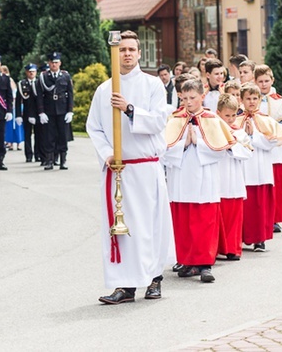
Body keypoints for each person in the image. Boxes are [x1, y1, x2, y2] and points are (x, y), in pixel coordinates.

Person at [86, 31, 175, 305]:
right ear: (115, 53)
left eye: (131, 50)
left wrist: (130, 109)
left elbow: (160, 120)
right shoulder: (104, 89)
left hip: (144, 168)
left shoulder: (152, 86)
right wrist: (106, 153)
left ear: (139, 53)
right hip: (118, 170)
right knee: (120, 228)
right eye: (121, 49)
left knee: (148, 225)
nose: (126, 54)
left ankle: (153, 279)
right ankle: (124, 285)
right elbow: (95, 127)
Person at [164, 79, 234, 283]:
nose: (188, 102)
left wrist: (199, 143)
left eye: (192, 98)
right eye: (184, 98)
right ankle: (187, 261)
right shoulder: (174, 119)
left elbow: (221, 152)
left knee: (204, 220)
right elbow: (163, 152)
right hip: (181, 176)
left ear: (201, 96)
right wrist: (182, 145)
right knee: (183, 220)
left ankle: (204, 264)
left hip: (205, 177)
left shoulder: (213, 119)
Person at [236, 83, 282, 252]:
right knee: (245, 205)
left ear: (259, 100)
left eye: (254, 98)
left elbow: (272, 142)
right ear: (241, 100)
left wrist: (253, 135)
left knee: (259, 205)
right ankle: (243, 237)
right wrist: (246, 136)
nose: (251, 102)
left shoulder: (267, 120)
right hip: (244, 169)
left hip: (261, 168)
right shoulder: (236, 120)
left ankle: (260, 239)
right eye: (248, 98)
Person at [255, 65, 282, 233]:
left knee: (276, 185)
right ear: (255, 82)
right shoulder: (251, 99)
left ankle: (275, 218)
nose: (264, 85)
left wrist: (275, 133)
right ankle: (261, 217)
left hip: (275, 149)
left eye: (266, 81)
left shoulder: (279, 100)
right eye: (260, 81)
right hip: (258, 147)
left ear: (272, 80)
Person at [216, 94, 252, 261]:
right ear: (219, 113)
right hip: (218, 177)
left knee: (234, 215)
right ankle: (217, 248)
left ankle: (232, 248)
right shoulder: (213, 130)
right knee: (219, 216)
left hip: (234, 178)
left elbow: (247, 152)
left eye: (233, 115)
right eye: (226, 116)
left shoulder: (240, 132)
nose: (230, 120)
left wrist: (232, 147)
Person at [37, 52, 74, 171]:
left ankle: (63, 161)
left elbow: (70, 95)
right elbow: (40, 96)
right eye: (52, 62)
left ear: (60, 63)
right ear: (49, 63)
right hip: (49, 111)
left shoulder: (65, 76)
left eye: (56, 62)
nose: (54, 64)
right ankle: (49, 161)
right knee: (49, 137)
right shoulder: (43, 76)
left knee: (62, 136)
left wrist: (70, 111)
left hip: (62, 111)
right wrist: (41, 112)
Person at [16, 64, 42, 163]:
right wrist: (18, 115)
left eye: (33, 71)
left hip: (38, 113)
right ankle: (28, 155)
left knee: (38, 135)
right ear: (26, 72)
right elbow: (18, 101)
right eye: (29, 71)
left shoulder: (40, 83)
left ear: (36, 72)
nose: (31, 73)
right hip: (27, 113)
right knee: (27, 136)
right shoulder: (22, 84)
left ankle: (38, 154)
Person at [1, 65, 23, 152]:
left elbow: (14, 93)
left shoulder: (9, 80)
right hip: (6, 106)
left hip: (12, 105)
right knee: (9, 125)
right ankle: (9, 142)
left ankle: (18, 143)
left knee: (17, 125)